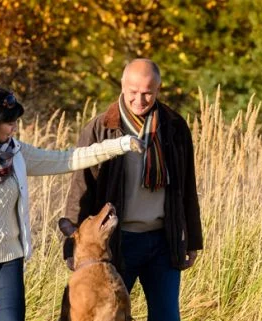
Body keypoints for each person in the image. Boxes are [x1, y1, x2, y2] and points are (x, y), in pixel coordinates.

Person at [0, 87, 143, 321]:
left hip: (7, 260)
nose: (15, 127)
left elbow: (67, 158)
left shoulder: (17, 153)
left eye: (16, 121)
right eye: (9, 122)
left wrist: (121, 145)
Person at [61, 59, 203, 321]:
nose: (140, 99)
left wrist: (192, 239)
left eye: (148, 92)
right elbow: (81, 187)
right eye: (133, 91)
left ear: (158, 89)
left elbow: (187, 187)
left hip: (163, 240)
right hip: (116, 243)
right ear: (123, 87)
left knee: (167, 317)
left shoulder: (174, 127)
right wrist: (72, 247)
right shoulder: (101, 127)